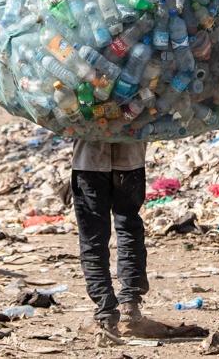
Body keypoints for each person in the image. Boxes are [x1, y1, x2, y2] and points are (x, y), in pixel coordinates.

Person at [72, 140, 149, 335]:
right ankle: (130, 303)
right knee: (128, 226)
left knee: (93, 235)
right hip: (130, 157)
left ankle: (105, 312)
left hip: (89, 160)